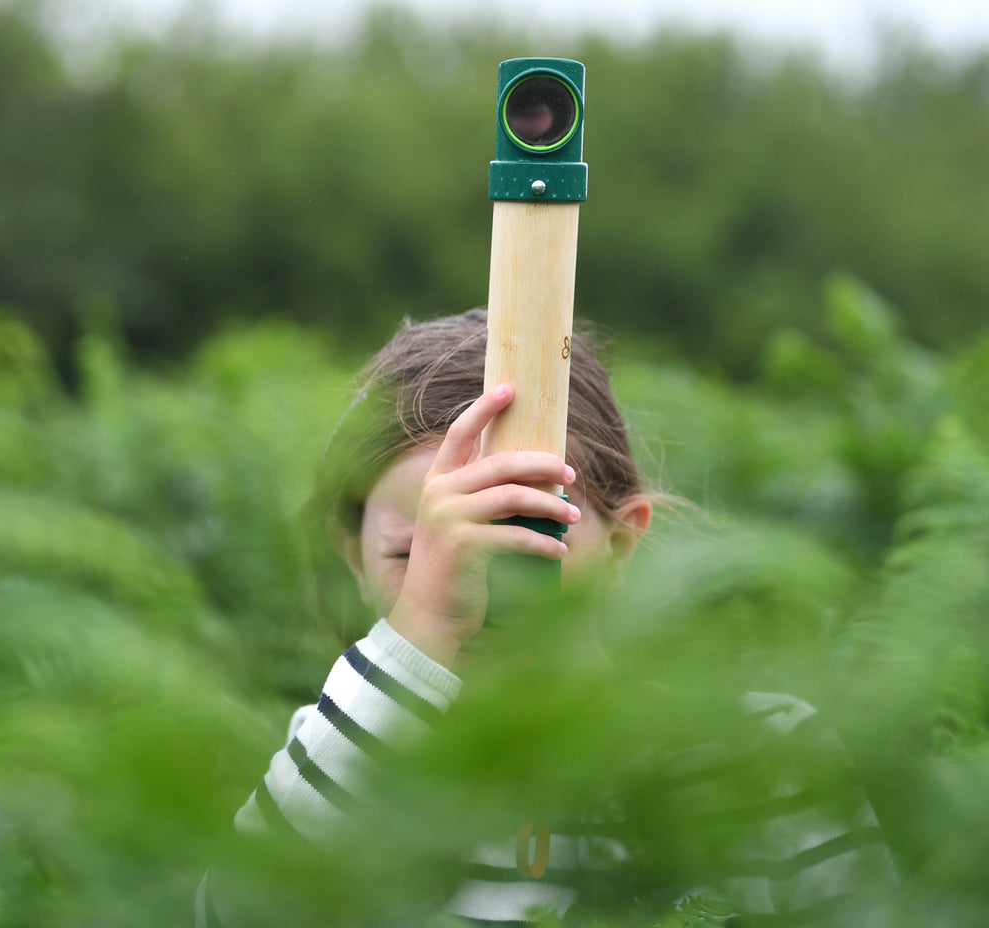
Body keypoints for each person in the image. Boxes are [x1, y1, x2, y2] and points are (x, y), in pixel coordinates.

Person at [197, 309, 896, 927]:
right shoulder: (342, 755)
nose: (472, 592)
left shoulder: (767, 759)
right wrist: (420, 635)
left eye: (524, 542)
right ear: (354, 559)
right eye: (418, 555)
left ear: (620, 545)